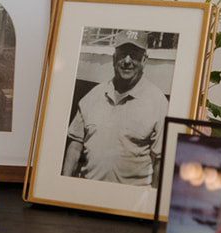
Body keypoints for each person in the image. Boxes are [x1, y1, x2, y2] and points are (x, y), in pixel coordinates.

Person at [62, 36, 168, 185]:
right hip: (87, 192)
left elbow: (160, 160)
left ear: (144, 60)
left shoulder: (158, 103)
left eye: (134, 55)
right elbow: (75, 147)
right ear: (114, 58)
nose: (127, 61)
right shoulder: (93, 96)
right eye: (123, 54)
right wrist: (64, 187)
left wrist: (151, 200)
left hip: (130, 201)